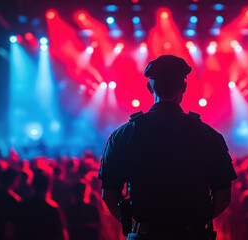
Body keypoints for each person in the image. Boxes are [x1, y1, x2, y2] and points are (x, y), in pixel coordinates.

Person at [98, 55, 237, 239]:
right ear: (184, 87)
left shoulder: (122, 135)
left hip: (144, 235)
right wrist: (197, 221)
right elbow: (223, 195)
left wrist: (134, 225)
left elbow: (109, 193)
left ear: (149, 88)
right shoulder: (209, 135)